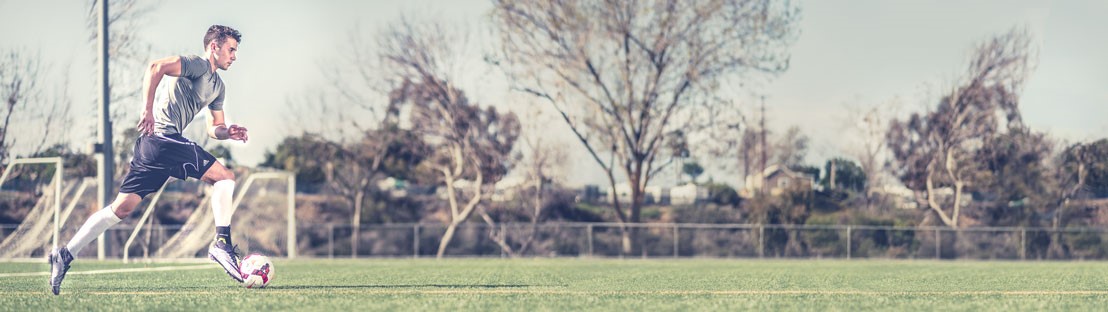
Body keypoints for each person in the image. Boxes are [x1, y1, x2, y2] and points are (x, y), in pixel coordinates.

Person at [48, 25, 249, 295]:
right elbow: (156, 67)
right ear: (214, 47)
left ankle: (64, 254)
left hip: (155, 148)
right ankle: (222, 243)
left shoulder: (218, 87)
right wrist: (147, 109)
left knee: (120, 209)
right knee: (225, 178)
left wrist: (228, 132)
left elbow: (215, 127)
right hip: (163, 140)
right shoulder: (197, 65)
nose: (234, 56)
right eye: (231, 49)